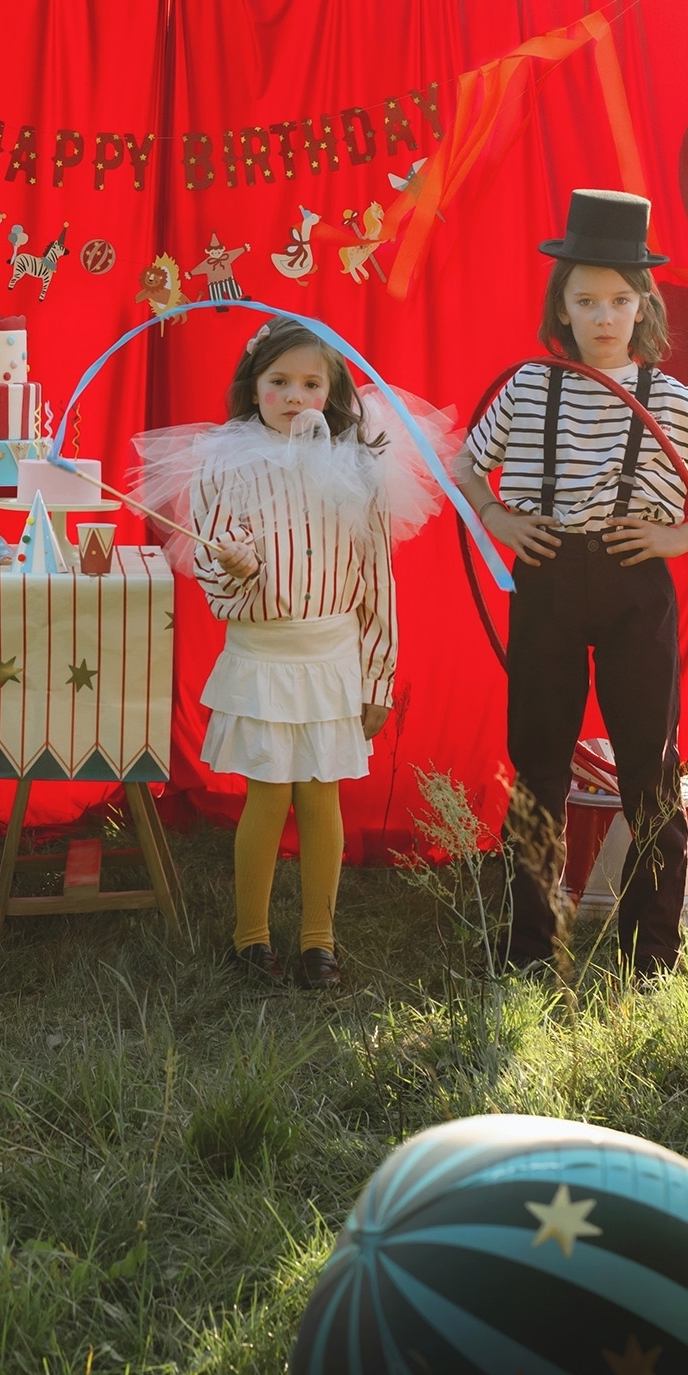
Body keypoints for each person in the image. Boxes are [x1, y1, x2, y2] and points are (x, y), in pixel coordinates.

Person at [450, 189, 688, 976]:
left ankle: (651, 951)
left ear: (642, 304)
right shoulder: (526, 388)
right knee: (539, 761)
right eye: (586, 299)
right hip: (548, 579)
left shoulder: (672, 399)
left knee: (649, 764)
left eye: (620, 300)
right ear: (561, 303)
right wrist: (497, 516)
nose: (603, 315)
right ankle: (531, 947)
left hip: (634, 586)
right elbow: (462, 466)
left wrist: (677, 535)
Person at [133, 318, 449, 989]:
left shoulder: (358, 466)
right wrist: (233, 567)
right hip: (263, 652)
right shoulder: (225, 460)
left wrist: (377, 677)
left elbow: (375, 582)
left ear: (332, 392)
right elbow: (213, 568)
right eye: (280, 381)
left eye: (311, 383)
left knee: (320, 794)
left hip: (332, 655)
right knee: (268, 793)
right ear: (255, 388)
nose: (295, 395)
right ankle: (251, 938)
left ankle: (318, 941)